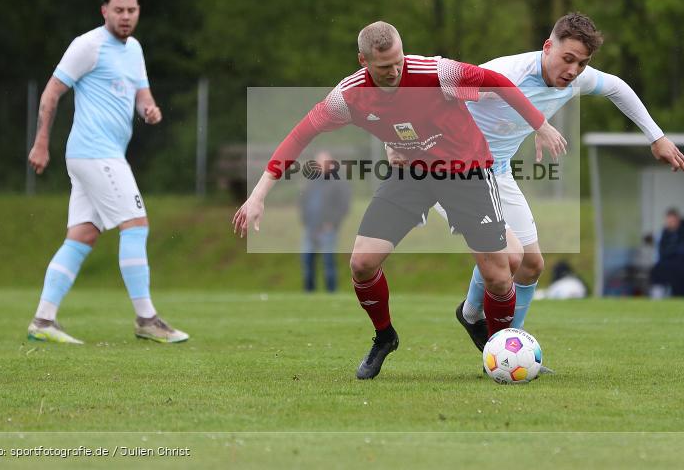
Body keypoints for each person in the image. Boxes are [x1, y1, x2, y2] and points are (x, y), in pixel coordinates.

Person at [232, 21, 566, 379]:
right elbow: (300, 135)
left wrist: (540, 124)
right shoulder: (348, 96)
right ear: (363, 61)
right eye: (384, 67)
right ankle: (384, 337)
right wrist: (258, 194)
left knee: (500, 275)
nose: (394, 72)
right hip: (411, 175)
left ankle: (498, 352)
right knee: (362, 263)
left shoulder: (436, 72)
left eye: (398, 61)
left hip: (466, 173)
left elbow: (496, 81)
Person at [387, 13, 684, 347]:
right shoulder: (505, 75)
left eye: (582, 63)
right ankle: (494, 339)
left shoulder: (575, 79)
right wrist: (396, 141)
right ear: (547, 47)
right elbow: (427, 94)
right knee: (507, 257)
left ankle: (503, 340)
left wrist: (656, 137)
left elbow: (617, 87)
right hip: (450, 174)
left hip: (497, 173)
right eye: (568, 58)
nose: (573, 70)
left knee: (531, 265)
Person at [26, 0, 188, 345]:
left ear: (138, 12)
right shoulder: (88, 45)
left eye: (131, 10)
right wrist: (41, 142)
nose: (125, 16)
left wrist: (150, 111)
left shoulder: (134, 49)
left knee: (82, 236)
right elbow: (52, 92)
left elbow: (142, 97)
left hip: (98, 156)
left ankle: (43, 320)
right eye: (119, 10)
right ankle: (146, 319)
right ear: (104, 11)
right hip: (95, 152)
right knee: (136, 225)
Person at [299, 150, 351, 292]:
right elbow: (303, 202)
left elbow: (344, 206)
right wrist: (305, 220)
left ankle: (331, 293)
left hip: (328, 229)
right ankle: (308, 293)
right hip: (310, 228)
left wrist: (332, 223)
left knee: (328, 262)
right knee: (307, 261)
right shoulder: (311, 182)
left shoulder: (338, 182)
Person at [650, 208, 684, 298]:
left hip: (682, 264)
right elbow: (662, 252)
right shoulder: (663, 234)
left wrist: (671, 251)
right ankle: (658, 295)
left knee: (678, 271)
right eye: (669, 221)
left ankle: (676, 295)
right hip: (665, 263)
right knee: (657, 269)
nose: (670, 223)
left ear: (678, 220)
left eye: (673, 221)